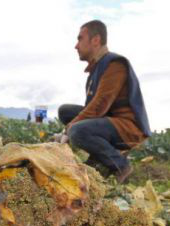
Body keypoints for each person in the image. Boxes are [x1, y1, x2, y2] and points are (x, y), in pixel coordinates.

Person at [57, 20, 152, 184]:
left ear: (95, 40)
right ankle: (99, 158)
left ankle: (121, 165)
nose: (76, 46)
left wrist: (67, 131)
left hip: (128, 128)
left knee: (77, 131)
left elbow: (99, 107)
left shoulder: (114, 65)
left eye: (80, 39)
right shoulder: (97, 68)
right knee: (65, 111)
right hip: (111, 120)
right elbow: (93, 109)